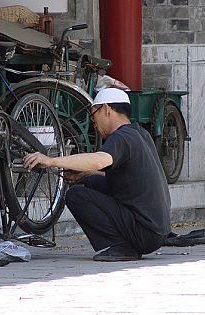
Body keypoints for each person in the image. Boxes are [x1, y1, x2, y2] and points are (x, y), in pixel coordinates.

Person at [23, 88, 171, 261]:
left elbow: (99, 160)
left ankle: (122, 247)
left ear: (106, 109)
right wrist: (87, 173)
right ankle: (125, 243)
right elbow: (128, 176)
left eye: (94, 115)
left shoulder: (121, 137)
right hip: (157, 231)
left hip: (143, 232)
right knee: (92, 181)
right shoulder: (140, 134)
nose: (93, 122)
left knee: (76, 195)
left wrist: (51, 161)